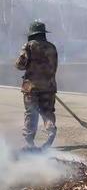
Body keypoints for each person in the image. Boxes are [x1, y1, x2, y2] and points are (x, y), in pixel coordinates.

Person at [15, 21, 58, 150]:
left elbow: (20, 65)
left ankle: (29, 142)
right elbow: (54, 67)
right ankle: (51, 131)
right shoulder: (52, 47)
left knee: (31, 113)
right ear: (43, 33)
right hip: (49, 86)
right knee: (47, 112)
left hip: (31, 88)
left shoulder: (29, 46)